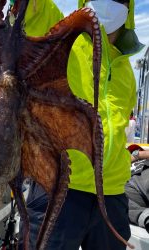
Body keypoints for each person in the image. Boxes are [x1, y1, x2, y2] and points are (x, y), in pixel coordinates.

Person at [18, 0, 144, 249]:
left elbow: (120, 129)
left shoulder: (126, 70)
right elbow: (34, 7)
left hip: (111, 195)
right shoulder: (60, 35)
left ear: (129, 8)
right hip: (59, 188)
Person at [125, 144, 149, 233]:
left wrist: (137, 154)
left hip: (145, 173)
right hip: (127, 189)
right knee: (114, 202)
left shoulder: (140, 155)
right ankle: (146, 217)